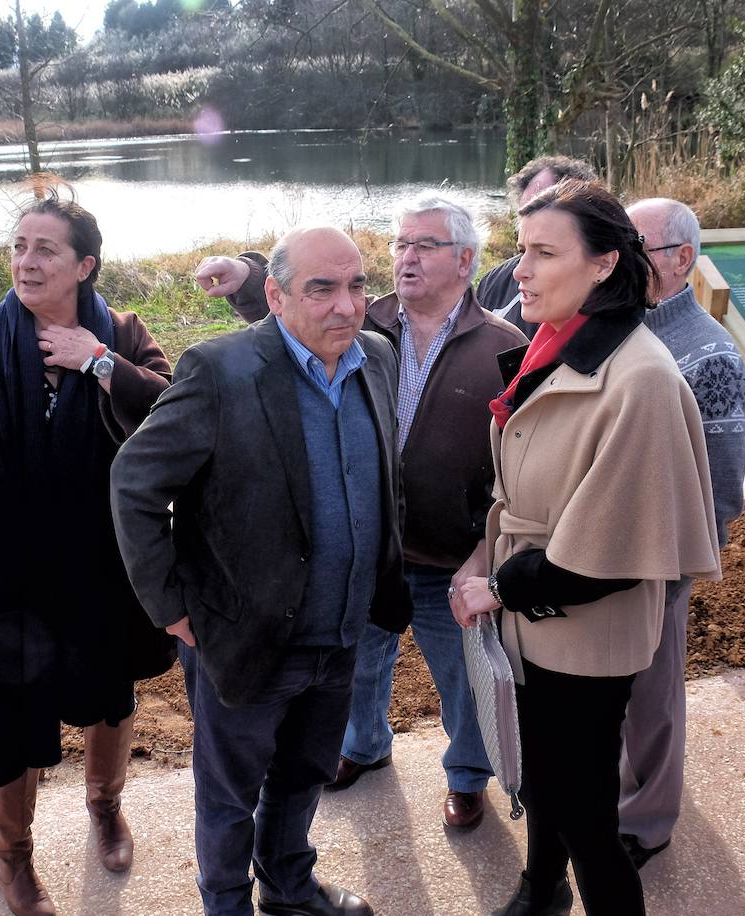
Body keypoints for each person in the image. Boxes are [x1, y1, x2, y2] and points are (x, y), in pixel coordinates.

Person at [195, 192, 527, 830]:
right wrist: (246, 279)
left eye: (423, 246)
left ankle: (466, 775)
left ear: (464, 260)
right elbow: (294, 316)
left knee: (461, 676)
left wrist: (484, 556)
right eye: (399, 244)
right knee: (357, 665)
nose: (405, 257)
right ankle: (362, 747)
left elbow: (519, 463)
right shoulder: (367, 323)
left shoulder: (502, 346)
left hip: (447, 558)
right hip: (361, 548)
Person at [112, 225, 412, 916]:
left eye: (358, 284)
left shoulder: (378, 356)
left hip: (342, 632)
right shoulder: (220, 371)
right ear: (274, 296)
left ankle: (287, 886)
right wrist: (169, 606)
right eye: (322, 289)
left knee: (305, 773)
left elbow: (384, 477)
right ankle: (225, 904)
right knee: (229, 792)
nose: (347, 305)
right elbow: (134, 483)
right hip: (244, 635)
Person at [451, 180, 722, 916]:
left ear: (604, 264)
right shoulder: (557, 343)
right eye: (520, 250)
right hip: (532, 622)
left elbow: (604, 554)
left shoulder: (641, 380)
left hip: (582, 638)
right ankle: (542, 890)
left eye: (544, 253)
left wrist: (496, 588)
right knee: (544, 781)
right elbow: (518, 491)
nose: (523, 272)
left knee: (586, 819)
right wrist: (483, 560)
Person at [0, 190, 176, 916]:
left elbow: (169, 414)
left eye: (45, 250)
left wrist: (97, 362)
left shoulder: (123, 335)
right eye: (18, 246)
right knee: (18, 712)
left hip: (104, 561)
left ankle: (104, 805)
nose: (26, 262)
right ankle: (13, 857)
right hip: (15, 570)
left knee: (109, 691)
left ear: (85, 266)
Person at [617, 197, 745, 869]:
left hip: (661, 561)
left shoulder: (711, 356)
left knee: (653, 698)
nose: (617, 256)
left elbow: (724, 486)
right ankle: (614, 797)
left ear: (681, 258)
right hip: (608, 553)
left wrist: (683, 571)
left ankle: (648, 822)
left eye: (633, 244)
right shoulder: (621, 329)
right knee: (614, 690)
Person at [476, 155, 599, 335]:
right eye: (526, 212)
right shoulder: (494, 283)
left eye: (547, 206)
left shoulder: (617, 295)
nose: (520, 273)